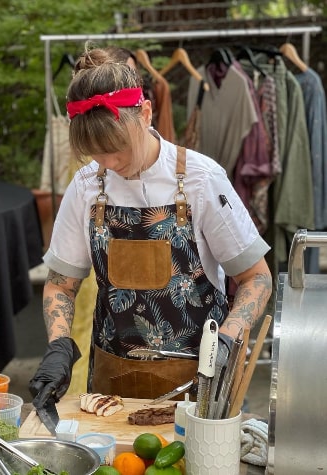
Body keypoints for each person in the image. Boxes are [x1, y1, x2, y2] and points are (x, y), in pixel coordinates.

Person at [29, 47, 272, 406]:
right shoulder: (85, 186)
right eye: (99, 155)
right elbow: (60, 286)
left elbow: (257, 278)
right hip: (111, 380)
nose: (111, 164)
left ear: (145, 113)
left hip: (200, 379)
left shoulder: (201, 180)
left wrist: (228, 339)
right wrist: (60, 344)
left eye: (119, 150)